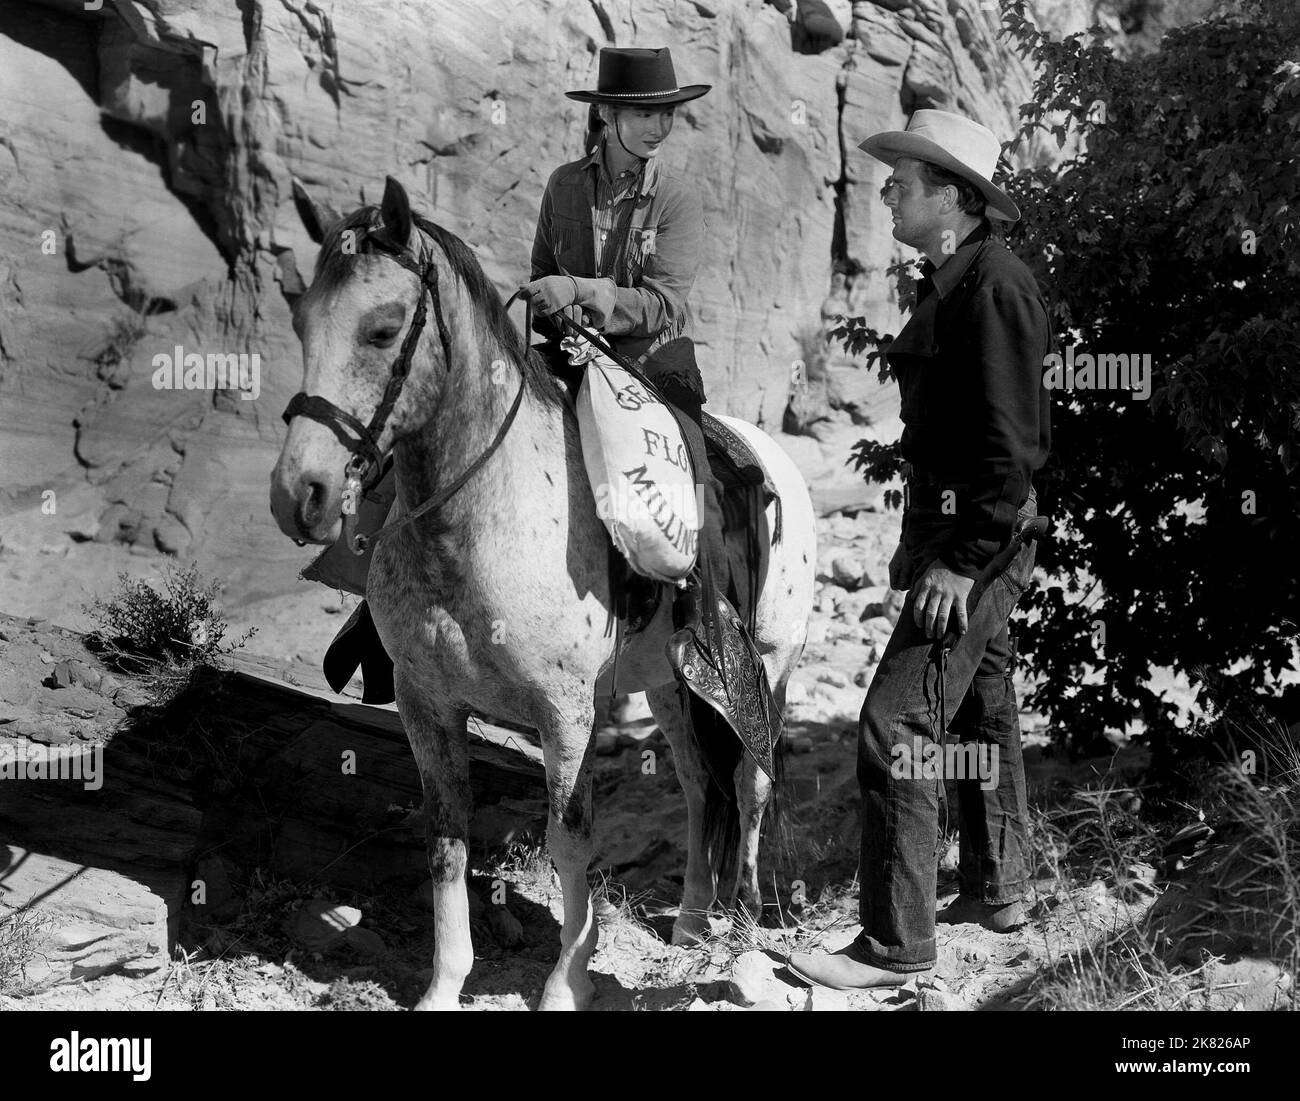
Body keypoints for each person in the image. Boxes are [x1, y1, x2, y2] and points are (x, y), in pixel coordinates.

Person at [787, 110, 1052, 990]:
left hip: (982, 541)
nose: (887, 191)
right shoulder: (953, 281)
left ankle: (893, 945)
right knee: (983, 705)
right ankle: (998, 889)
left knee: (896, 723)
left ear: (952, 196)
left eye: (903, 181)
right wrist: (918, 542)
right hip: (961, 536)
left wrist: (957, 560)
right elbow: (942, 437)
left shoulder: (996, 288)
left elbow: (1010, 452)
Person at [519, 46, 724, 635]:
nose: (659, 127)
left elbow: (666, 305)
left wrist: (580, 290)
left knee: (692, 468)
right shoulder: (562, 185)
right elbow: (539, 271)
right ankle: (383, 594)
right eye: (644, 115)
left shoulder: (677, 197)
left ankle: (706, 619)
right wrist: (550, 306)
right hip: (567, 355)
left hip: (648, 365)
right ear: (607, 115)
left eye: (668, 115)